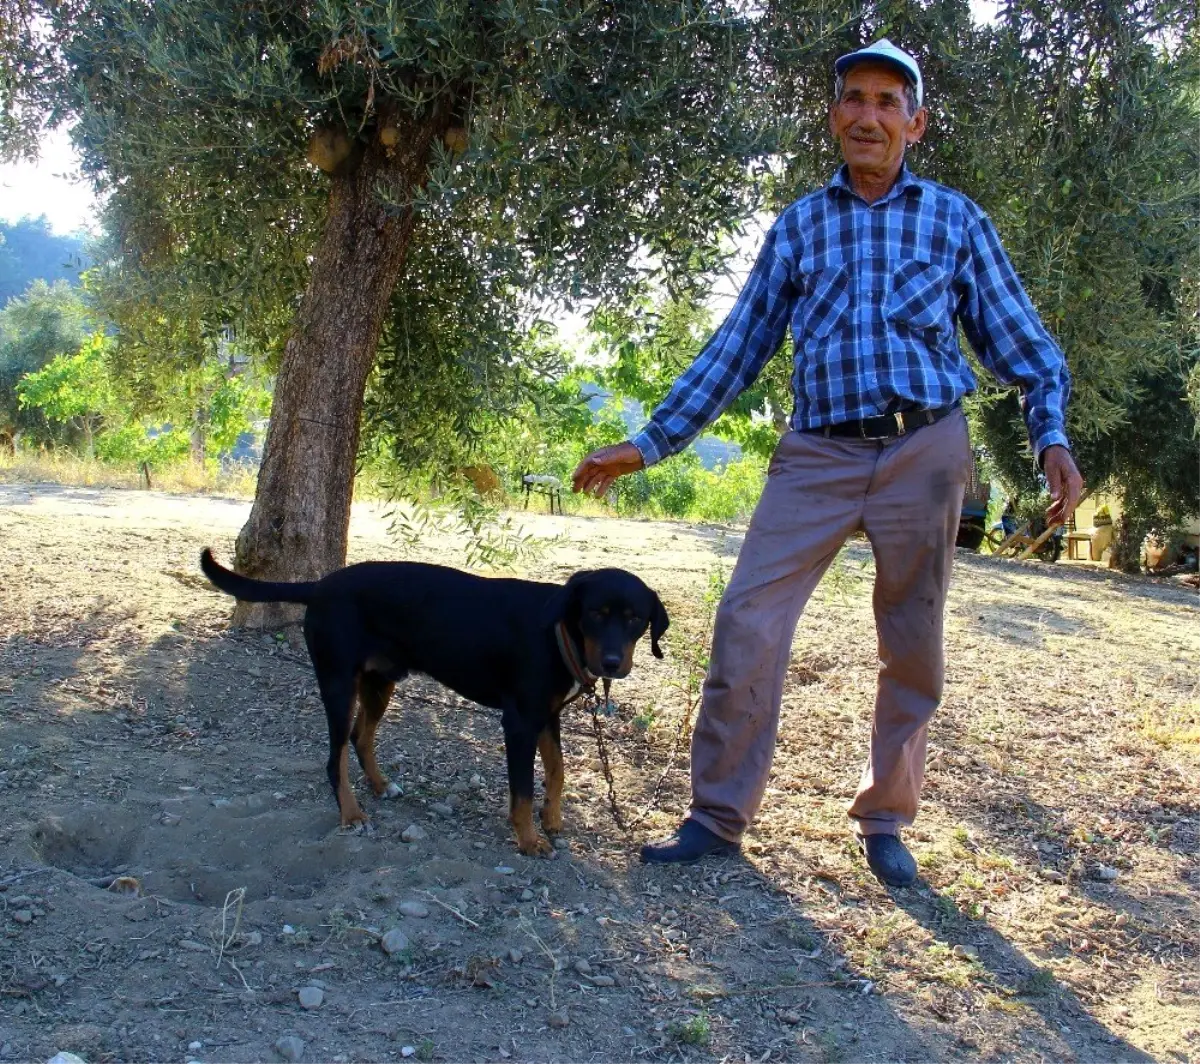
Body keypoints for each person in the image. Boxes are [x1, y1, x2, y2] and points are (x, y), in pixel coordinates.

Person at [571, 39, 1084, 887]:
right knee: (747, 621)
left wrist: (1051, 436)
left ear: (914, 123)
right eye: (855, 99)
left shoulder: (955, 220)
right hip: (816, 453)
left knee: (911, 643)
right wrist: (651, 441)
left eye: (889, 102)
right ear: (834, 115)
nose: (869, 116)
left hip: (925, 447)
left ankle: (886, 818)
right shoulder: (801, 225)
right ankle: (716, 816)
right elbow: (737, 346)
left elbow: (1023, 346)